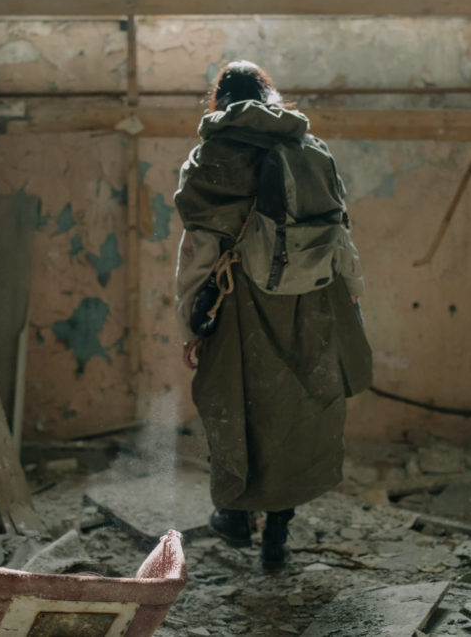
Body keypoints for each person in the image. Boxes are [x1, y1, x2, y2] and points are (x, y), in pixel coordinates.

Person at [174, 60, 373, 569]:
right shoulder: (312, 151)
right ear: (270, 95)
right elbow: (340, 235)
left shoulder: (212, 157)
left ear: (219, 99)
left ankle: (237, 517)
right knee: (297, 414)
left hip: (238, 300)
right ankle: (277, 537)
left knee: (233, 404)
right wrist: (353, 298)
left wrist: (192, 323)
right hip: (314, 303)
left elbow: (199, 248)